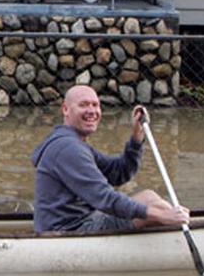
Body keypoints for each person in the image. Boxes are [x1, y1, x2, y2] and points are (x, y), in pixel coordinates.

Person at [31, 84, 190, 233]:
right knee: (155, 207)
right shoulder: (68, 149)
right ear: (65, 109)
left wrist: (136, 138)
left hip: (81, 220)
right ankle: (180, 238)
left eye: (95, 105)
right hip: (68, 231)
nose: (92, 111)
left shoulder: (74, 143)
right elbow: (106, 198)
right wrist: (160, 215)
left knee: (149, 197)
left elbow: (118, 172)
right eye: (84, 105)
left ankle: (177, 225)